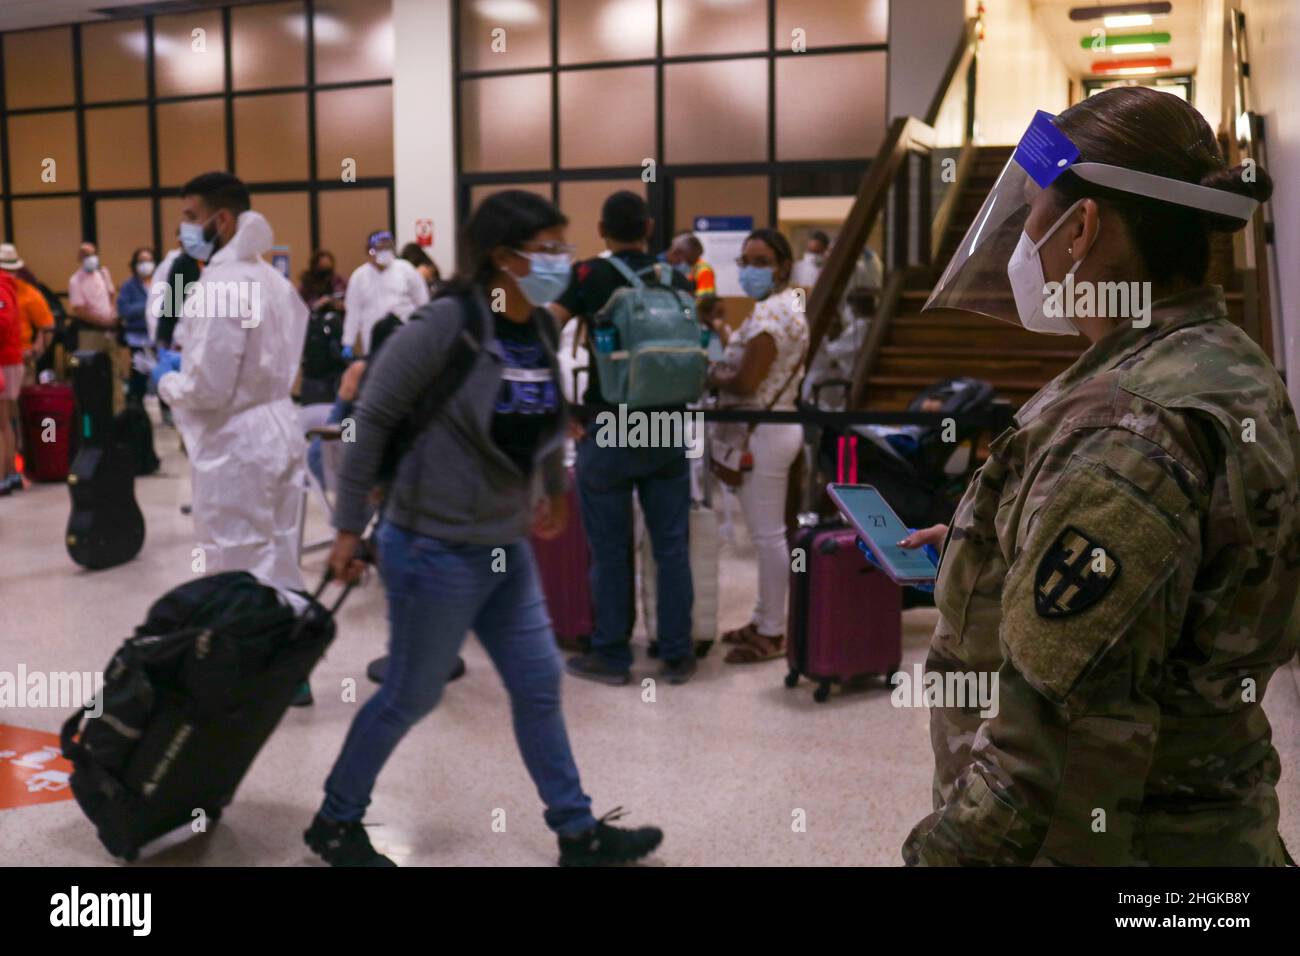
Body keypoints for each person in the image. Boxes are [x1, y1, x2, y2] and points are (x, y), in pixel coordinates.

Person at [899, 88, 1297, 866]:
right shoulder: (1228, 363)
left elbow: (1043, 738)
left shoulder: (1125, 423)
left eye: (1031, 216)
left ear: (1080, 229)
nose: (1023, 242)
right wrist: (1003, 544)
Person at [311, 189, 663, 867]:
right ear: (504, 257)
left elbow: (546, 412)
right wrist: (349, 527)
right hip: (431, 545)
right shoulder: (447, 324)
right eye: (550, 248)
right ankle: (335, 819)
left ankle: (577, 831)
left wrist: (553, 488)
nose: (564, 260)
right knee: (410, 695)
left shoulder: (532, 327)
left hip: (504, 547)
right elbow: (373, 417)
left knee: (537, 685)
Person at [548, 191, 697, 686]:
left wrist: (564, 408)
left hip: (612, 424)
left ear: (601, 229)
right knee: (671, 547)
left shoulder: (589, 276)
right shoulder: (677, 278)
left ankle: (612, 655)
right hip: (670, 425)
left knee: (611, 550)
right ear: (649, 228)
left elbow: (545, 333)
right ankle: (677, 653)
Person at [152, 172, 309, 593]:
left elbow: (207, 390)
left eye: (190, 216)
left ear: (221, 220)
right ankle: (282, 650)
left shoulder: (219, 285)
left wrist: (166, 379)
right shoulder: (273, 280)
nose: (183, 227)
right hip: (281, 428)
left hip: (237, 447)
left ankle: (241, 656)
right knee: (279, 559)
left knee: (233, 570)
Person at [708, 229, 808, 663]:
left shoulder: (770, 315)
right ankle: (763, 617)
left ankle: (772, 632)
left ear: (782, 266)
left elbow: (747, 381)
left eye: (760, 261)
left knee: (768, 536)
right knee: (769, 533)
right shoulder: (788, 307)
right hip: (776, 426)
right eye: (745, 261)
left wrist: (712, 374)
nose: (749, 269)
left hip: (764, 432)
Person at [341, 230, 429, 356]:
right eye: (380, 248)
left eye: (388, 247)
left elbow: (422, 302)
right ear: (369, 250)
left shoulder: (406, 270)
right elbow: (353, 312)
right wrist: (348, 343)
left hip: (404, 333)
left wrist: (424, 330)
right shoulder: (359, 277)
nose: (384, 251)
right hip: (372, 338)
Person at [68, 241, 126, 413]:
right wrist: (103, 321)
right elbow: (79, 310)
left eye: (92, 254)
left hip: (109, 332)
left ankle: (117, 411)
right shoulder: (75, 280)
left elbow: (111, 294)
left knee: (116, 372)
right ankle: (93, 412)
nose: (90, 259)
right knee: (91, 374)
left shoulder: (103, 272)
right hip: (90, 333)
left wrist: (113, 315)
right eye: (85, 255)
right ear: (79, 258)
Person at [0, 244, 55, 385]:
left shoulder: (28, 293)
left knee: (18, 401)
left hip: (19, 356)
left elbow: (47, 326)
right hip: (10, 356)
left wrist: (34, 353)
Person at [115, 247, 155, 406]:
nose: (145, 265)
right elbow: (124, 310)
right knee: (139, 377)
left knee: (164, 376)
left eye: (149, 261)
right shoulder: (129, 286)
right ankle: (135, 410)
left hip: (158, 338)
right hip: (138, 339)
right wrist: (147, 306)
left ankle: (168, 415)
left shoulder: (161, 282)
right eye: (141, 261)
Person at [0, 268, 22, 495]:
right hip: (9, 358)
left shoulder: (1, 287)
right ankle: (10, 474)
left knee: (2, 423)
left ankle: (4, 476)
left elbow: (3, 322)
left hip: (4, 360)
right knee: (6, 421)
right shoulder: (8, 284)